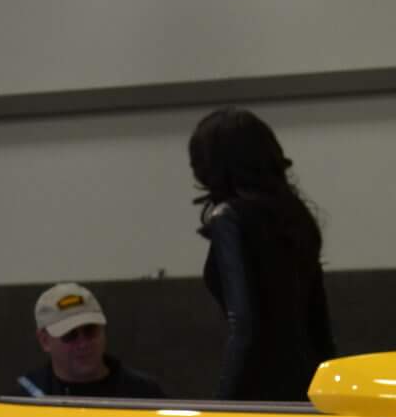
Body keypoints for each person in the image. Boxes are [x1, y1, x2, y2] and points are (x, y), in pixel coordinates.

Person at [189, 108, 337, 401]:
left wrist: (223, 402)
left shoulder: (229, 218)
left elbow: (243, 324)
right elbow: (318, 319)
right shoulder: (295, 216)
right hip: (309, 383)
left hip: (258, 387)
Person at [19, 283, 165, 399]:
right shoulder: (25, 400)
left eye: (90, 330)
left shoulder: (143, 395)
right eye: (70, 335)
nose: (83, 344)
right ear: (45, 340)